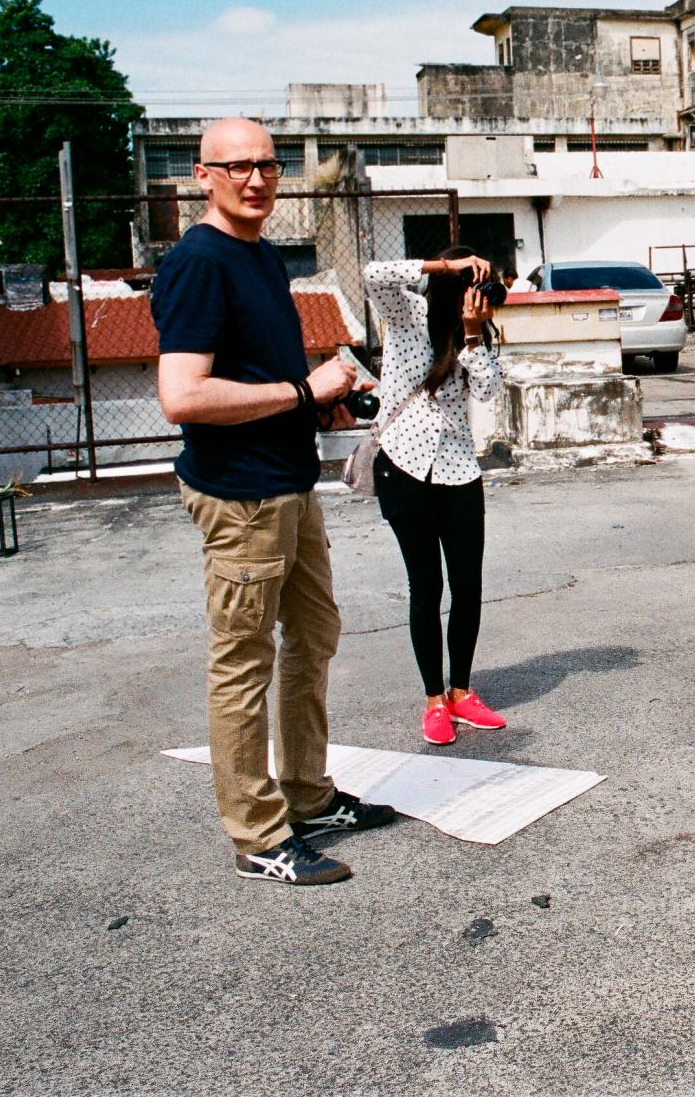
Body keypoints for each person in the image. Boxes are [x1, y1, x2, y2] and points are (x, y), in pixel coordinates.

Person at [153, 117, 395, 887]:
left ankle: (307, 794)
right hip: (242, 499)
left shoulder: (260, 253)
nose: (256, 179)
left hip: (289, 485)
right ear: (203, 175)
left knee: (314, 637)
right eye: (237, 167)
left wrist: (320, 399)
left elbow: (254, 373)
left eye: (267, 164)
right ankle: (258, 834)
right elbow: (180, 396)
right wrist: (299, 389)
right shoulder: (198, 262)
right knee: (243, 664)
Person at [362, 250, 506, 745]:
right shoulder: (407, 315)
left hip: (460, 468)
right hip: (403, 465)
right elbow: (373, 273)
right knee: (426, 586)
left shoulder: (476, 333)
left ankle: (462, 692)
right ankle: (433, 700)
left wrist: (471, 334)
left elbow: (488, 390)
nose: (476, 292)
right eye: (469, 282)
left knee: (467, 585)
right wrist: (444, 266)